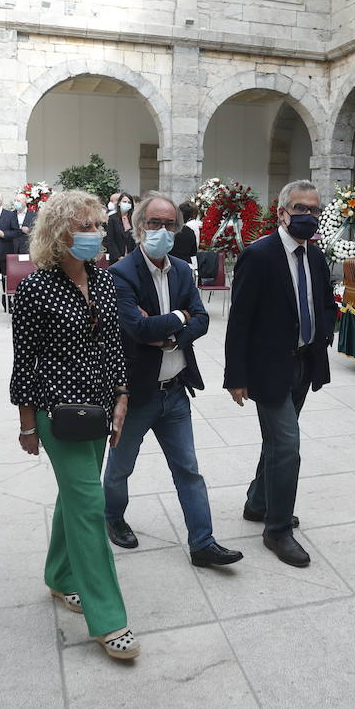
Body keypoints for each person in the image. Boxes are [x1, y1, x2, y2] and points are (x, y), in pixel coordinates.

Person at [9, 189, 140, 660]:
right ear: (59, 232)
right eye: (85, 226)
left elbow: (113, 347)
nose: (96, 234)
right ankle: (108, 618)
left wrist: (122, 395)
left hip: (100, 408)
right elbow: (25, 363)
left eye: (98, 225)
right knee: (90, 503)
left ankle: (60, 577)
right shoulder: (34, 288)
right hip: (56, 413)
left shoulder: (103, 282)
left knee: (75, 495)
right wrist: (27, 426)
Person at [102, 193, 243, 567]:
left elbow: (201, 319)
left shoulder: (181, 270)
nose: (162, 231)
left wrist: (171, 330)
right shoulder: (120, 274)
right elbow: (134, 327)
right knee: (120, 468)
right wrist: (179, 319)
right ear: (138, 228)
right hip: (135, 395)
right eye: (154, 223)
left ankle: (203, 543)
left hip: (175, 391)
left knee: (188, 470)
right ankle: (112, 516)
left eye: (169, 225)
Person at [223, 179, 334, 568]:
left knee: (276, 442)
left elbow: (324, 304)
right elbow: (239, 321)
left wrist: (323, 335)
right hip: (269, 369)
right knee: (288, 446)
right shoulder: (260, 255)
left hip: (303, 364)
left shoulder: (316, 256)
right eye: (300, 208)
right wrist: (236, 375)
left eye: (314, 209)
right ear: (283, 212)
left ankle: (259, 502)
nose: (308, 216)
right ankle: (277, 529)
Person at [105, 191, 135, 262]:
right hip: (116, 258)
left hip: (132, 258)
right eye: (124, 201)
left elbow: (137, 239)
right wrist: (118, 256)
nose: (126, 204)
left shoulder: (134, 219)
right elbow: (110, 239)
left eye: (129, 202)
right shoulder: (112, 218)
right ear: (119, 203)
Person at [9, 191, 38, 257]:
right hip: (13, 249)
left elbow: (38, 230)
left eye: (18, 201)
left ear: (25, 202)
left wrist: (29, 230)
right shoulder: (10, 215)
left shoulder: (34, 215)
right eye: (15, 200)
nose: (16, 203)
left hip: (28, 249)